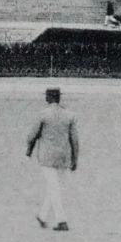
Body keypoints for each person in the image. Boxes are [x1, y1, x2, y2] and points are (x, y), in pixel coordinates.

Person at [26, 87, 78, 231]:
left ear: (49, 98)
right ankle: (42, 216)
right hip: (63, 157)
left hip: (46, 157)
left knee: (53, 187)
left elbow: (32, 136)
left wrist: (29, 150)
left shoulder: (42, 114)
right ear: (59, 98)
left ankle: (61, 221)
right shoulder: (70, 115)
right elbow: (75, 140)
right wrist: (75, 159)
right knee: (55, 187)